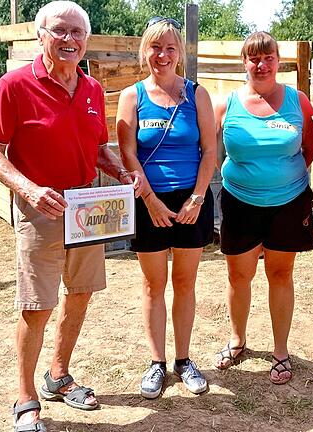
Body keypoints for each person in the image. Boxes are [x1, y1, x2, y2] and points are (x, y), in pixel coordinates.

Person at [0, 2, 141, 430]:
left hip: (87, 209)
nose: (69, 39)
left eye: (77, 32)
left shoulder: (91, 89)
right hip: (41, 211)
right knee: (36, 305)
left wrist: (120, 172)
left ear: (86, 40)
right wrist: (29, 189)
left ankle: (58, 374)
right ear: (41, 36)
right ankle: (25, 396)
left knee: (81, 292)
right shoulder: (14, 85)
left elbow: (97, 148)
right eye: (60, 31)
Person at [116, 16, 216, 399]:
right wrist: (150, 200)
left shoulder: (197, 95)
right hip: (148, 202)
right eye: (156, 47)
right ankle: (157, 363)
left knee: (186, 284)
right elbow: (128, 153)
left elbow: (209, 149)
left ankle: (184, 360)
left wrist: (197, 197)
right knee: (153, 285)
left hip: (191, 200)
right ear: (146, 51)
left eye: (170, 47)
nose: (163, 54)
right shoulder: (132, 96)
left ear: (180, 54)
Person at [213, 31, 313, 385]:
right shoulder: (226, 104)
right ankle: (238, 340)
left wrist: (286, 176)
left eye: (268, 57)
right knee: (239, 277)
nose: (261, 64)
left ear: (278, 61)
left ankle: (280, 351)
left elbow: (311, 144)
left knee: (280, 275)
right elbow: (211, 151)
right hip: (240, 201)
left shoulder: (298, 100)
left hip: (288, 202)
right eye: (253, 58)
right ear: (244, 62)